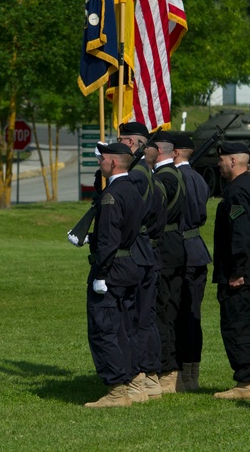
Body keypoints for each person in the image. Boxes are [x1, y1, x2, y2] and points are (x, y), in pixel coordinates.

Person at [81, 142, 144, 407]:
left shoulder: (111, 195)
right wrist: (90, 238)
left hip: (112, 270)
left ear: (114, 163)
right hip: (129, 265)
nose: (100, 162)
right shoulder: (133, 190)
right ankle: (130, 383)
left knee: (104, 329)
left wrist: (100, 274)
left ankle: (117, 391)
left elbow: (109, 239)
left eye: (103, 159)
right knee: (125, 328)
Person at [212, 142, 250, 401]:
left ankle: (247, 382)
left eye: (222, 159)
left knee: (237, 326)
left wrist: (237, 271)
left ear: (233, 161)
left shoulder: (237, 191)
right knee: (249, 326)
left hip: (241, 275)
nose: (219, 164)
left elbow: (241, 234)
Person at [115, 123, 165, 403]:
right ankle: (150, 377)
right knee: (145, 319)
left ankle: (136, 379)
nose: (118, 143)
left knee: (131, 319)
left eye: (121, 139)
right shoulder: (151, 175)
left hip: (133, 251)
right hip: (148, 250)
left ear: (132, 143)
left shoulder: (133, 176)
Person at [150, 130, 189, 393]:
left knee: (163, 312)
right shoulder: (176, 174)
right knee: (171, 310)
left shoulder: (164, 178)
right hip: (175, 245)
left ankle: (166, 370)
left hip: (164, 247)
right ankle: (172, 370)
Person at [173, 134, 212, 392]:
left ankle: (182, 375)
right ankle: (191, 374)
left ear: (175, 153)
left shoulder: (175, 178)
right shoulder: (198, 178)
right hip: (197, 249)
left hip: (182, 250)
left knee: (180, 315)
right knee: (193, 314)